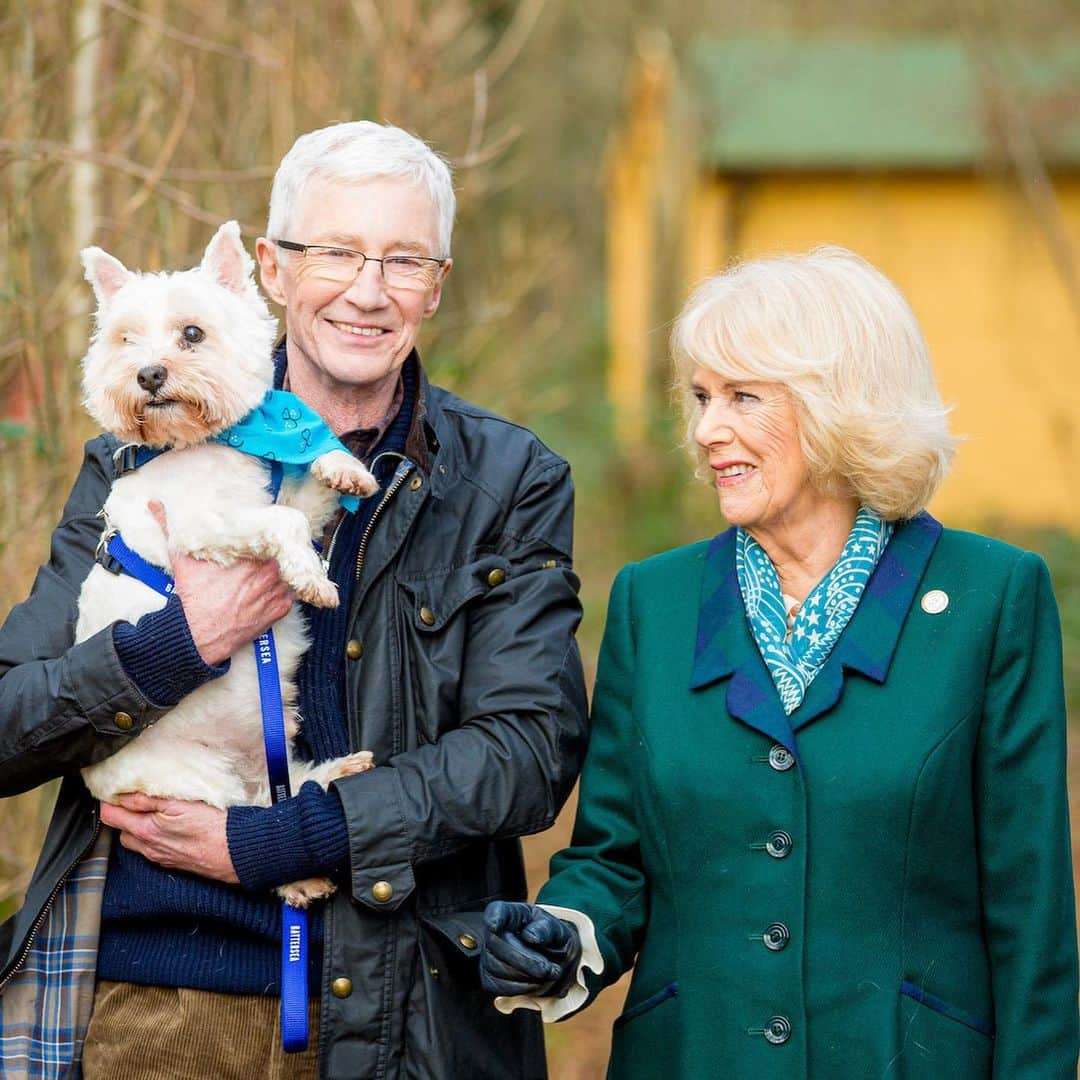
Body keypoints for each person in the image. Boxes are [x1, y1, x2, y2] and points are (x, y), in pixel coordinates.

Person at [0, 121, 588, 1080]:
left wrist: (274, 840)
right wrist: (174, 644)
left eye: (403, 259)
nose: (368, 289)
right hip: (160, 1009)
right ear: (269, 271)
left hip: (413, 1016)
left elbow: (528, 751)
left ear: (435, 286)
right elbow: (7, 721)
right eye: (336, 252)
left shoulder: (505, 481)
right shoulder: (135, 458)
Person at [479, 247, 1080, 1077]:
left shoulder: (991, 597)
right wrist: (566, 935)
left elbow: (1031, 907)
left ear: (842, 404)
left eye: (742, 397)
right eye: (700, 398)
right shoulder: (656, 602)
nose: (705, 429)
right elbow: (615, 857)